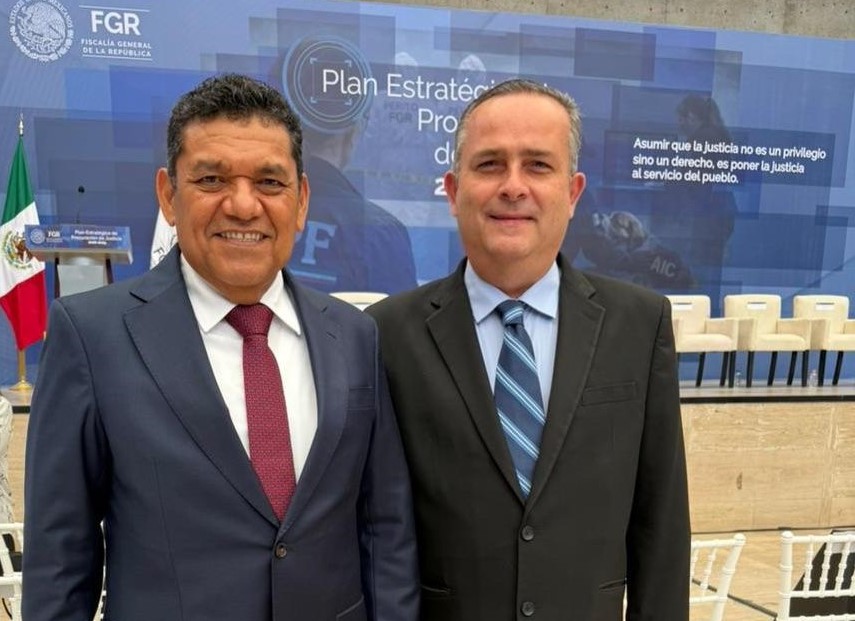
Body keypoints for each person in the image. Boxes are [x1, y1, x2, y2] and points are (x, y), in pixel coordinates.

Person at [24, 73, 419, 621]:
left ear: (301, 200)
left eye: (270, 183)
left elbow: (386, 530)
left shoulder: (354, 335)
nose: (242, 205)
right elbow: (60, 557)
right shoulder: (93, 336)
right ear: (168, 194)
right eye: (211, 179)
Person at [367, 78, 690, 620]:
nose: (513, 186)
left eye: (538, 165)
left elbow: (661, 524)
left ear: (573, 192)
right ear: (452, 190)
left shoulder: (640, 324)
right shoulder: (386, 334)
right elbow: (375, 531)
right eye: (490, 164)